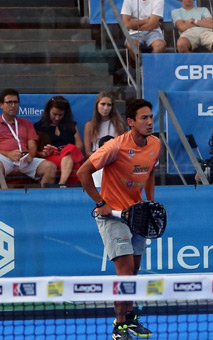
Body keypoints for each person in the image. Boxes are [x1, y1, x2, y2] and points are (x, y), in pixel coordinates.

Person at [77, 99, 161, 340]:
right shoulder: (114, 147)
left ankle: (131, 317)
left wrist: (150, 201)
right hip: (112, 215)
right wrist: (100, 203)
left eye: (151, 117)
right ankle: (119, 325)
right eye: (143, 118)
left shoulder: (155, 144)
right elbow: (83, 172)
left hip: (137, 213)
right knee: (124, 271)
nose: (149, 122)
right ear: (131, 122)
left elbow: (151, 171)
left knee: (134, 270)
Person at [0, 88, 56, 187]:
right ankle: (4, 199)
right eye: (9, 102)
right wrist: (8, 154)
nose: (13, 106)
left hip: (24, 159)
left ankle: (42, 199)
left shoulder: (26, 123)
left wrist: (30, 154)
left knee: (50, 167)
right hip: (5, 158)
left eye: (15, 102)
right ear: (1, 105)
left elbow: (32, 144)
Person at [34, 96, 85, 187]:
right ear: (48, 111)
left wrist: (64, 150)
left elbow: (79, 145)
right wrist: (46, 151)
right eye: (54, 114)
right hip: (52, 156)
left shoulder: (71, 125)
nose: (57, 118)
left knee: (70, 148)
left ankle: (61, 183)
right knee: (74, 161)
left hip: (70, 155)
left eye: (60, 115)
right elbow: (34, 150)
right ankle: (64, 185)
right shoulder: (38, 127)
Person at [83, 92, 127, 158]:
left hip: (114, 158)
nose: (106, 108)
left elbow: (121, 147)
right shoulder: (89, 125)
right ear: (97, 105)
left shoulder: (118, 124)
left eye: (109, 105)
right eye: (103, 104)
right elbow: (87, 151)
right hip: (96, 159)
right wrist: (99, 157)